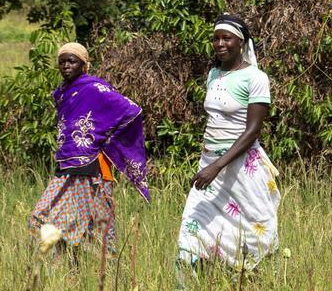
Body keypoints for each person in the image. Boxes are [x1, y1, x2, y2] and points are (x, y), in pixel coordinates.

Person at [176, 15, 280, 270]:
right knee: (192, 222)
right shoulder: (214, 74)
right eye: (216, 38)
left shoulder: (255, 78)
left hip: (241, 167)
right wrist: (210, 164)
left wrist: (217, 167)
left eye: (227, 38)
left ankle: (254, 276)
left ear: (241, 42)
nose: (220, 43)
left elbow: (253, 130)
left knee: (255, 228)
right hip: (210, 162)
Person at [29, 43, 149, 253]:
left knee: (92, 226)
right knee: (52, 220)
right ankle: (71, 274)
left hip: (92, 166)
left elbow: (132, 111)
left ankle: (102, 273)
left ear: (84, 65)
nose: (66, 65)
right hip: (66, 164)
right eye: (62, 61)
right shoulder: (62, 93)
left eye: (72, 61)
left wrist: (106, 141)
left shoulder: (95, 88)